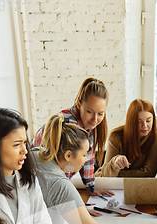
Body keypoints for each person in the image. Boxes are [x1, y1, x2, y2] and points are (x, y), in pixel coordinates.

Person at [32, 113, 152, 224]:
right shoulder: (60, 184)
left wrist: (77, 209)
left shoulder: (34, 153)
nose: (85, 160)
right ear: (68, 155)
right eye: (83, 155)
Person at [31, 77, 113, 213]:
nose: (95, 119)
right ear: (79, 104)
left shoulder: (89, 125)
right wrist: (79, 209)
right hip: (38, 183)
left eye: (100, 114)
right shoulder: (68, 127)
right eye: (90, 112)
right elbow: (57, 177)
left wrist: (91, 188)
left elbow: (88, 158)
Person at [94, 99, 157, 177]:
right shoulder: (116, 137)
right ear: (131, 121)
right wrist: (114, 163)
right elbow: (106, 174)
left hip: (139, 184)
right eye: (139, 121)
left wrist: (115, 174)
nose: (144, 125)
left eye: (148, 121)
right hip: (116, 185)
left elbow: (149, 173)